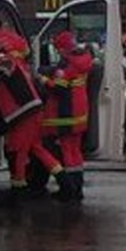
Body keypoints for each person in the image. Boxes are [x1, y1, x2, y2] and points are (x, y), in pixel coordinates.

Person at [0, 37, 65, 200]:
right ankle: (64, 180)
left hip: (23, 113)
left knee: (18, 151)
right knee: (36, 148)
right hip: (29, 111)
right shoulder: (0, 62)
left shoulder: (3, 58)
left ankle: (19, 188)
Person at [39, 31, 93, 202]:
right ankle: (77, 187)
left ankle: (69, 190)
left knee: (66, 151)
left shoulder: (66, 67)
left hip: (66, 114)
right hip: (79, 113)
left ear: (62, 49)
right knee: (75, 152)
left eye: (58, 49)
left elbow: (58, 89)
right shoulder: (83, 60)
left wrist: (43, 80)